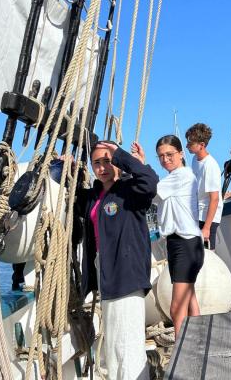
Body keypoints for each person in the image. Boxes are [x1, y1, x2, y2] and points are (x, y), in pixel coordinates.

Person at [75, 140, 158, 380]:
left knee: (128, 344)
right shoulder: (94, 196)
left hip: (128, 275)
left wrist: (122, 156)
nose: (102, 167)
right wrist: (67, 170)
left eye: (108, 161)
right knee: (112, 344)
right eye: (97, 163)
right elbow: (73, 199)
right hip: (106, 274)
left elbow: (150, 181)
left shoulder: (131, 191)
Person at [134, 135, 204, 336]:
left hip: (185, 246)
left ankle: (183, 354)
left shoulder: (181, 176)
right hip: (185, 244)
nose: (165, 160)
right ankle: (200, 344)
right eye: (161, 157)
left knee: (176, 308)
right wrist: (144, 165)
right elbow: (153, 193)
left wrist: (139, 165)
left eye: (169, 154)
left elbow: (150, 188)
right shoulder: (176, 178)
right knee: (191, 303)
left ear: (181, 154)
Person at [185, 123, 223, 250]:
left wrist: (206, 228)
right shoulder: (194, 160)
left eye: (190, 143)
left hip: (208, 218)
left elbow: (215, 199)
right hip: (198, 214)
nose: (187, 146)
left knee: (207, 257)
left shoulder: (210, 165)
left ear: (202, 145)